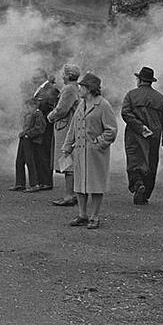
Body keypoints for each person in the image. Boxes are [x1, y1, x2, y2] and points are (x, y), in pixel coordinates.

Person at [60, 72, 117, 229]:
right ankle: (82, 214)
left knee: (95, 184)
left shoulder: (103, 105)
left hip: (95, 153)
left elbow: (111, 130)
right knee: (80, 184)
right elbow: (73, 127)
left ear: (90, 89)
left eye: (82, 87)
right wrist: (66, 146)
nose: (79, 89)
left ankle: (95, 216)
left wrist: (98, 143)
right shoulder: (81, 104)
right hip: (79, 152)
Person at [121, 66, 163, 205]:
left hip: (134, 134)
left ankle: (138, 184)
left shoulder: (131, 95)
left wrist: (140, 127)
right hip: (154, 136)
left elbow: (125, 113)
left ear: (139, 80)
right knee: (150, 163)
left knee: (134, 160)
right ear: (151, 81)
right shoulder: (160, 98)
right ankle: (145, 194)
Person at [49, 64, 81, 206]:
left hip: (66, 127)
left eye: (63, 73)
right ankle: (71, 194)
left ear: (68, 75)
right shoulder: (76, 88)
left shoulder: (69, 89)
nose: (62, 76)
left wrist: (50, 116)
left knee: (67, 162)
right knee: (68, 162)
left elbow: (61, 109)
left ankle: (69, 195)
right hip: (69, 126)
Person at [32, 70, 59, 191]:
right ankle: (41, 180)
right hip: (39, 125)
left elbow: (54, 108)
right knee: (39, 152)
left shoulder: (51, 89)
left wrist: (44, 119)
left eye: (36, 77)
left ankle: (47, 181)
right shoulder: (40, 88)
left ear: (43, 77)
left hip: (46, 126)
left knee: (45, 153)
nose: (34, 79)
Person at [11, 96, 46, 191]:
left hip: (31, 140)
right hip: (25, 139)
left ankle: (34, 184)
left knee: (30, 162)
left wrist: (28, 134)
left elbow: (40, 128)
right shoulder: (30, 114)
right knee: (19, 161)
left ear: (34, 106)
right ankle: (20, 183)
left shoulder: (38, 114)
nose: (27, 108)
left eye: (28, 106)